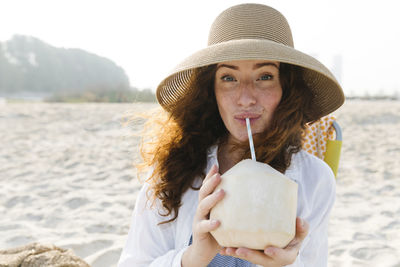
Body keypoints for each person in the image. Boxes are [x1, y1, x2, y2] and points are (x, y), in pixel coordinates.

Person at [118, 3, 344, 267]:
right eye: (229, 78)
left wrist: (288, 264)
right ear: (210, 90)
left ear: (287, 87)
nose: (246, 98)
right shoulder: (173, 172)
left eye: (265, 76)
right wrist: (192, 258)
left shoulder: (315, 179)